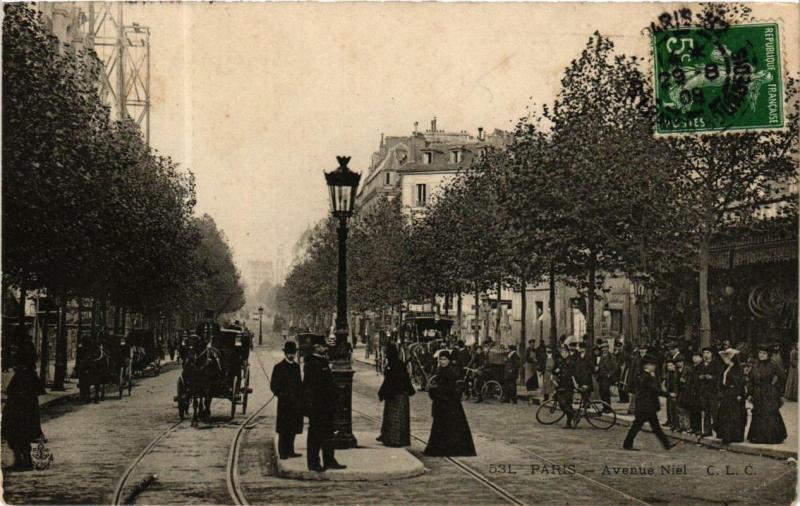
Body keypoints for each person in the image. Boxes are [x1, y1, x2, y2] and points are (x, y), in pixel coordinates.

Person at [302, 335, 346, 471]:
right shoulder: (312, 363)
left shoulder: (321, 361)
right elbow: (311, 387)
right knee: (316, 434)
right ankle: (313, 462)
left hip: (326, 405)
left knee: (328, 433)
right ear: (316, 347)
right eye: (323, 346)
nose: (325, 348)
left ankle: (329, 460)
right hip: (317, 406)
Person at [2, 340, 46, 470]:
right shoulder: (31, 374)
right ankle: (24, 460)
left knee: (15, 433)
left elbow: (12, 392)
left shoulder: (21, 375)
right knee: (24, 434)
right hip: (28, 409)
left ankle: (22, 461)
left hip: (18, 409)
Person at [424, 351, 476, 456]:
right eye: (440, 359)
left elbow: (454, 388)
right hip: (441, 403)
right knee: (441, 427)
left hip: (451, 404)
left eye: (444, 359)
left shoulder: (453, 371)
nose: (442, 361)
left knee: (453, 426)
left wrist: (438, 390)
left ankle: (451, 449)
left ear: (448, 360)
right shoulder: (439, 371)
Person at [622, 356, 676, 451]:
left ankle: (666, 443)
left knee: (646, 426)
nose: (654, 366)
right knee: (648, 426)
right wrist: (668, 395)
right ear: (647, 365)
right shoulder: (646, 376)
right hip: (647, 405)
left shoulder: (643, 375)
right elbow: (655, 389)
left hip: (645, 405)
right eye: (653, 365)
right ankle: (666, 443)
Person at [747, 345, 787, 444]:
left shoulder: (773, 365)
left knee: (770, 414)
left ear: (768, 354)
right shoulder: (755, 366)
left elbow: (782, 377)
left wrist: (775, 388)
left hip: (769, 394)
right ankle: (758, 437)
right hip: (757, 393)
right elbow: (751, 380)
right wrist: (750, 393)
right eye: (760, 353)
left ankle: (771, 437)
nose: (761, 355)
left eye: (764, 353)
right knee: (758, 414)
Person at [377, 343, 415, 447]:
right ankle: (393, 437)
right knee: (395, 417)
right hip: (397, 393)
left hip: (396, 394)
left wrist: (383, 392)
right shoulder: (397, 363)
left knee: (394, 417)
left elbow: (390, 381)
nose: (385, 355)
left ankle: (395, 439)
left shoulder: (394, 365)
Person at [270, 341, 303, 460]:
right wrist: (281, 394)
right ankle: (282, 452)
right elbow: (273, 385)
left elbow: (299, 384)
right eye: (289, 353)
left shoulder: (296, 367)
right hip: (284, 403)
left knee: (293, 427)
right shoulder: (278, 367)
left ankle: (291, 450)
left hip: (295, 403)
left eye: (293, 353)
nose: (291, 355)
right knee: (284, 429)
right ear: (285, 354)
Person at [714, 348, 746, 444]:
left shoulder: (738, 368)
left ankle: (733, 435)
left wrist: (740, 394)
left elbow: (740, 382)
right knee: (725, 414)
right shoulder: (726, 367)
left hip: (734, 393)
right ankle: (724, 434)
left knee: (733, 415)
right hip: (727, 393)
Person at [697, 346, 722, 437]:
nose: (706, 355)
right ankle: (707, 430)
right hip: (704, 391)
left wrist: (711, 377)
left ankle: (718, 429)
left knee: (714, 412)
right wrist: (700, 377)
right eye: (704, 353)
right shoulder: (701, 364)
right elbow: (697, 375)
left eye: (708, 353)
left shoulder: (716, 363)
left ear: (712, 354)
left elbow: (720, 376)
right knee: (706, 412)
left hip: (713, 391)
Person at [553, 346, 577, 429]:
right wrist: (555, 372)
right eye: (562, 352)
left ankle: (570, 420)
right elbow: (554, 370)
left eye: (565, 352)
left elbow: (573, 374)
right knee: (562, 404)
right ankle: (573, 417)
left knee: (566, 404)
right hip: (560, 385)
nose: (563, 354)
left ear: (568, 353)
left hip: (568, 385)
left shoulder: (571, 362)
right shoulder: (559, 361)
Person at [596, 342, 617, 411]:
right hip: (601, 377)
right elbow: (599, 366)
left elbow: (615, 367)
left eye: (605, 348)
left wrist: (609, 374)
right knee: (601, 392)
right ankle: (604, 407)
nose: (604, 349)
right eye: (602, 348)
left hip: (607, 378)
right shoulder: (601, 356)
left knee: (606, 393)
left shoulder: (611, 356)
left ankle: (608, 407)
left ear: (608, 348)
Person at [664, 359, 678, 430]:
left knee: (674, 408)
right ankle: (669, 421)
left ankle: (674, 423)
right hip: (669, 392)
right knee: (668, 407)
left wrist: (675, 393)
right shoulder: (668, 374)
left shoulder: (676, 373)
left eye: (670, 365)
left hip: (675, 393)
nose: (669, 367)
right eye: (668, 365)